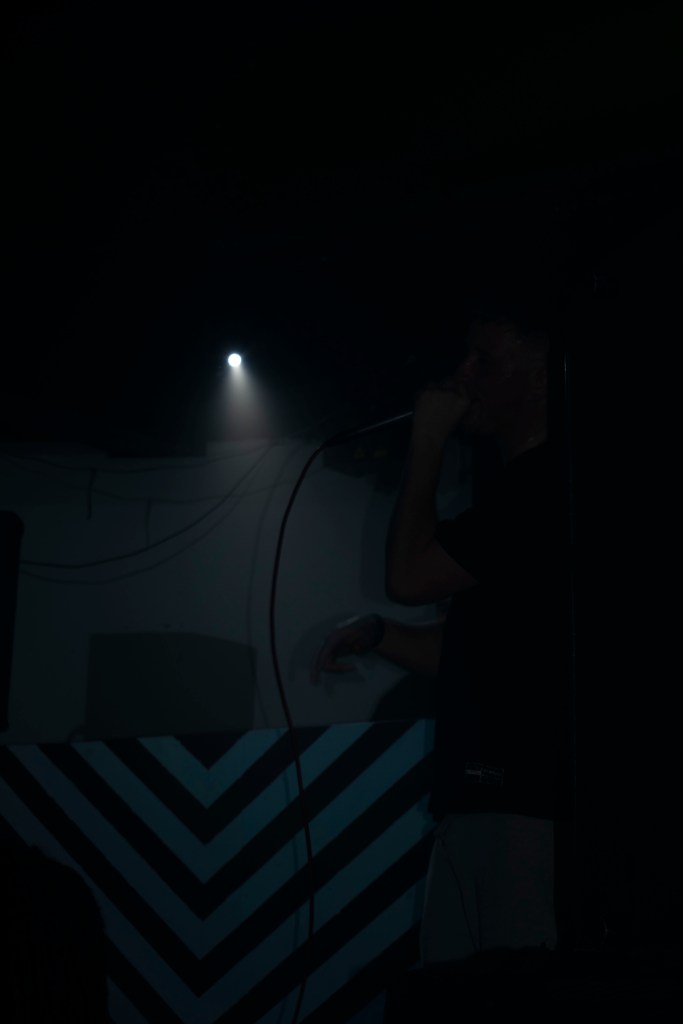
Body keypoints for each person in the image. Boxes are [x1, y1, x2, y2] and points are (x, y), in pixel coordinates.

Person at [311, 296, 571, 964]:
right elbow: (472, 650)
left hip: (522, 808)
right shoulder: (513, 493)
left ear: (542, 378)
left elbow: (408, 576)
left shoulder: (541, 488)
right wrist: (379, 634)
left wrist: (426, 440)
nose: (462, 375)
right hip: (482, 805)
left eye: (484, 359)